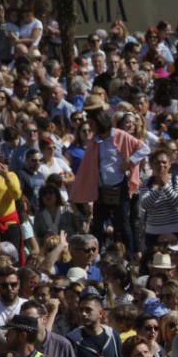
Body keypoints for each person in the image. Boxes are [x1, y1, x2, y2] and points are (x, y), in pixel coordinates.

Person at [71, 95, 149, 254]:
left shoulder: (119, 135)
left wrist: (130, 161)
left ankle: (130, 258)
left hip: (120, 187)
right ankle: (95, 256)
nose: (90, 127)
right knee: (97, 226)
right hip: (101, 189)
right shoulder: (95, 141)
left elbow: (144, 149)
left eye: (92, 123)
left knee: (123, 226)